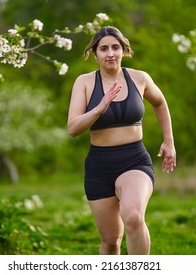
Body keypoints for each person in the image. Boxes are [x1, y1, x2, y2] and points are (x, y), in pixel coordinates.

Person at [67, 26, 176, 255]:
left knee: (134, 217)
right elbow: (73, 128)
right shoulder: (84, 83)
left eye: (115, 47)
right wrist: (99, 108)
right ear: (94, 53)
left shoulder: (139, 78)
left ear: (124, 50)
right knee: (111, 241)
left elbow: (160, 103)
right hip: (99, 167)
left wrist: (169, 141)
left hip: (134, 161)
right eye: (103, 48)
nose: (110, 53)